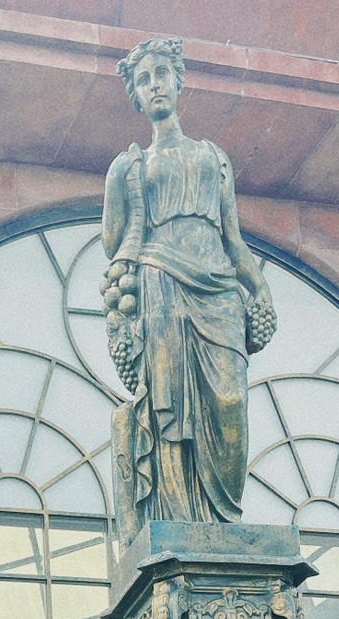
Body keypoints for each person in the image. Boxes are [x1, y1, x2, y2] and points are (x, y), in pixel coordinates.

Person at [102, 35, 277, 535]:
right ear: (137, 97)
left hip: (219, 291)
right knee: (170, 406)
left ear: (179, 82)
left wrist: (259, 289)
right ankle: (181, 521)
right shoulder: (131, 164)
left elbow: (233, 238)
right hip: (161, 284)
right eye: (143, 80)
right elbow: (112, 241)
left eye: (161, 74)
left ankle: (225, 522)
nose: (154, 85)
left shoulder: (212, 157)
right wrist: (118, 184)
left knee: (231, 403)